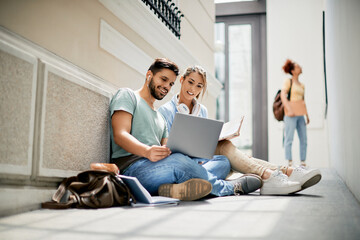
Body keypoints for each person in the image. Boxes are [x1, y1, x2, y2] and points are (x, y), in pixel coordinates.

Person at [92, 58, 262, 201]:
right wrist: (147, 151)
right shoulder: (128, 95)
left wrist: (188, 155)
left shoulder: (159, 117)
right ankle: (227, 188)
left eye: (171, 83)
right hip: (133, 170)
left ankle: (173, 189)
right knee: (180, 162)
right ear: (149, 75)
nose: (166, 86)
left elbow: (169, 149)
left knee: (222, 162)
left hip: (158, 167)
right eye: (163, 79)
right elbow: (120, 135)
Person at [158, 65, 321, 195]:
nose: (193, 89)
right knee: (229, 154)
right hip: (184, 165)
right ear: (182, 80)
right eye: (190, 82)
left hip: (205, 162)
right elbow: (166, 149)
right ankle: (278, 173)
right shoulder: (166, 111)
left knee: (226, 160)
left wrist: (214, 140)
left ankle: (280, 173)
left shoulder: (202, 111)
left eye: (199, 86)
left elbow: (202, 143)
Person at [281, 59, 309, 167]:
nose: (300, 67)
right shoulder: (289, 81)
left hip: (300, 114)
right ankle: (289, 161)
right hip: (290, 114)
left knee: (303, 138)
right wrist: (289, 109)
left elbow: (303, 101)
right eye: (297, 67)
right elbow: (283, 96)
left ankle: (303, 161)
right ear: (292, 71)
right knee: (289, 138)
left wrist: (307, 115)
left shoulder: (302, 85)